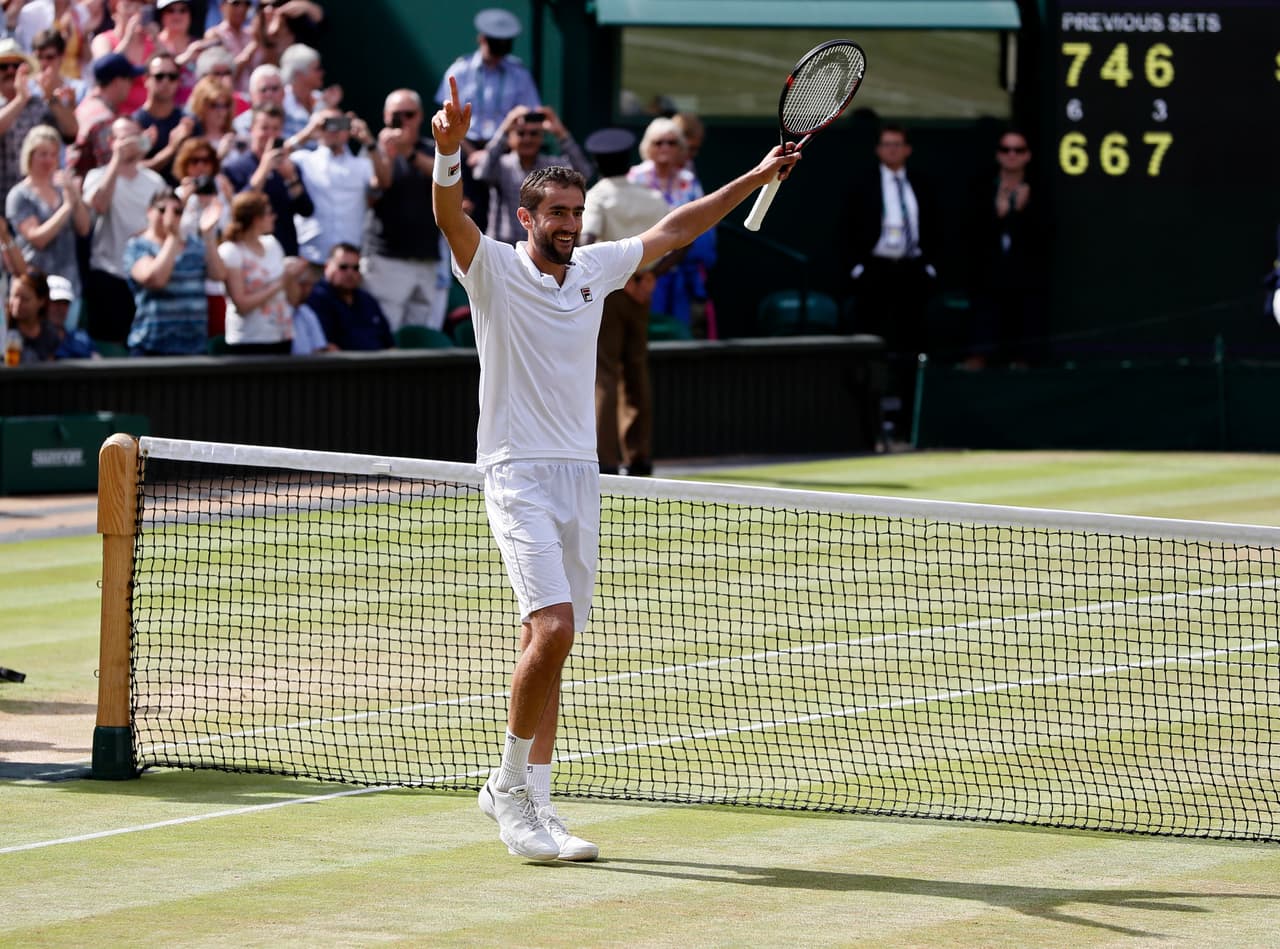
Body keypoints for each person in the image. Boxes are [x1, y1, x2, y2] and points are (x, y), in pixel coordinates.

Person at [431, 76, 798, 862]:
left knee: (549, 641)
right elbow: (448, 216)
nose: (566, 224)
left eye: (574, 212)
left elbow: (678, 225)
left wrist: (756, 176)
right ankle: (506, 792)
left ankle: (540, 799)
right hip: (515, 470)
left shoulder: (597, 266)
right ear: (526, 217)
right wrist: (450, 152)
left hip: (579, 474)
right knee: (554, 628)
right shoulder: (491, 268)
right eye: (553, 213)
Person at [581, 127, 668, 477]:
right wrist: (650, 276)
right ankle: (639, 457)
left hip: (611, 291)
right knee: (636, 370)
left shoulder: (597, 196)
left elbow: (586, 240)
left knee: (604, 373)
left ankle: (606, 460)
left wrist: (624, 278)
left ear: (596, 162)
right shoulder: (651, 196)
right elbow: (680, 240)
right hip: (642, 291)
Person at [843, 123, 940, 424]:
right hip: (875, 272)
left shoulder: (921, 183)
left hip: (911, 272)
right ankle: (868, 417)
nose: (892, 149)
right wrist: (858, 270)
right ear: (878, 149)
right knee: (871, 345)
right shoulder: (863, 184)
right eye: (887, 144)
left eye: (898, 144)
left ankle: (909, 419)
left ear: (907, 149)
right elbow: (846, 230)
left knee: (912, 346)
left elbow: (938, 227)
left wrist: (930, 267)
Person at [435, 8, 540, 229]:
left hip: (505, 151)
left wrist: (492, 151)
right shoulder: (460, 70)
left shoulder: (518, 73)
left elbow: (529, 113)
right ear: (482, 39)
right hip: (466, 150)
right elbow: (448, 117)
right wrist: (474, 153)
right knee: (465, 212)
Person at [363, 87, 446, 332]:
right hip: (387, 258)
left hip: (426, 258)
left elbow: (445, 176)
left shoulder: (433, 149)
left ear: (420, 116)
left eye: (408, 114)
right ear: (386, 117)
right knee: (386, 333)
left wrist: (409, 154)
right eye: (396, 115)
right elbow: (375, 191)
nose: (403, 120)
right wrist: (387, 155)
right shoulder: (373, 152)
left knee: (422, 335)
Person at [965, 127, 1047, 369]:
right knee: (979, 352)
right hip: (987, 283)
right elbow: (971, 235)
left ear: (1027, 155)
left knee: (1022, 356)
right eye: (1006, 149)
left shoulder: (1038, 192)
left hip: (1025, 285)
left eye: (1018, 150)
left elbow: (1044, 237)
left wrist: (1021, 214)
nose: (1012, 154)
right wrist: (998, 215)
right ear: (998, 154)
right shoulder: (981, 189)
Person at [83, 114, 167, 342]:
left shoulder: (155, 182)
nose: (129, 143)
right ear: (111, 142)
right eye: (123, 138)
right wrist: (116, 160)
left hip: (145, 278)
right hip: (109, 276)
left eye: (134, 137)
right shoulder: (96, 176)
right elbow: (98, 205)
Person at [627, 116, 715, 332]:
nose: (665, 147)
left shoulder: (688, 179)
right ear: (648, 146)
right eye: (658, 142)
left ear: (681, 147)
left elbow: (701, 220)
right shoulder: (635, 177)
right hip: (642, 268)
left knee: (678, 330)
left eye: (672, 142)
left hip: (680, 267)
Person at [124, 184, 225, 354]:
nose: (169, 216)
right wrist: (173, 237)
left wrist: (208, 236)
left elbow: (219, 274)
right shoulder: (137, 246)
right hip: (152, 350)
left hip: (194, 348)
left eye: (177, 212)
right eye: (162, 210)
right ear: (149, 211)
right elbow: (156, 279)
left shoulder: (195, 245)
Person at [474, 103, 590, 245]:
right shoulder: (503, 165)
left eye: (534, 134)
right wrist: (505, 127)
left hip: (542, 248)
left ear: (542, 138)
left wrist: (561, 133)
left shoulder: (551, 167)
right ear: (510, 138)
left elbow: (584, 173)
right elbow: (480, 172)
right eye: (521, 133)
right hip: (505, 246)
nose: (527, 139)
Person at [8, 123, 91, 302]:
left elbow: (84, 229)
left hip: (69, 283)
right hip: (37, 286)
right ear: (30, 156)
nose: (49, 160)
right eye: (43, 154)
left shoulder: (63, 189)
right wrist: (67, 207)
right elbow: (38, 239)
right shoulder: (20, 194)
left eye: (53, 154)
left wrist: (75, 196)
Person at [217, 189, 306, 353]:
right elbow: (241, 305)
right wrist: (281, 283)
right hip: (249, 340)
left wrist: (292, 277)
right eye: (269, 213)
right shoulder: (231, 251)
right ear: (256, 219)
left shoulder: (273, 244)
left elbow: (293, 299)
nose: (274, 217)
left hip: (282, 336)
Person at [221, 102, 312, 256]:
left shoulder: (290, 166)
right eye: (264, 128)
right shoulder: (234, 168)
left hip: (285, 250)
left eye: (275, 129)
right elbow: (237, 209)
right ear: (252, 130)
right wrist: (263, 169)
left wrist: (292, 179)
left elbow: (306, 210)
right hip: (248, 253)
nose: (270, 134)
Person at [289, 106, 374, 264]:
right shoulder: (303, 159)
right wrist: (308, 133)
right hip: (311, 256)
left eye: (339, 123)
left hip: (350, 261)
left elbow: (383, 182)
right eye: (327, 124)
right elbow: (275, 156)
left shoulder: (363, 165)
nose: (333, 129)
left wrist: (368, 141)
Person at [0, 37, 77, 202]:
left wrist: (51, 98)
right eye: (4, 66)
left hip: (40, 201)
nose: (10, 71)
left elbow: (71, 133)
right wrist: (19, 100)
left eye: (17, 66)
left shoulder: (39, 104)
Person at [304, 242, 392, 350]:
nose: (350, 273)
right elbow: (325, 347)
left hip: (381, 364)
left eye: (356, 268)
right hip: (342, 365)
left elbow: (389, 344)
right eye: (343, 267)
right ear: (327, 266)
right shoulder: (316, 298)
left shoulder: (367, 299)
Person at [70, 50, 142, 176]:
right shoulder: (104, 120)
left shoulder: (87, 104)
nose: (131, 85)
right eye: (129, 79)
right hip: (90, 189)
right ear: (117, 82)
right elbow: (111, 168)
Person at [134, 51, 195, 181]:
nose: (166, 81)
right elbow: (131, 171)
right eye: (159, 76)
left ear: (178, 81)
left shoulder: (188, 123)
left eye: (172, 77)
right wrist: (171, 149)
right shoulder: (134, 124)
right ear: (146, 80)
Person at [204, 0, 260, 94]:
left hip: (254, 97)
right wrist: (249, 51)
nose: (242, 8)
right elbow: (222, 74)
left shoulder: (252, 34)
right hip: (228, 99)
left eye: (247, 4)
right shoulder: (215, 34)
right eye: (236, 3)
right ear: (222, 7)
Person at [7, 270, 59, 362]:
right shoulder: (4, 329)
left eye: (25, 299)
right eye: (14, 296)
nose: (17, 303)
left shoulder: (50, 334)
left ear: (41, 301)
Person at [46, 272, 97, 357]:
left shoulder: (82, 339)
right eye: (56, 302)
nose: (61, 309)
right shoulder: (32, 339)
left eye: (65, 303)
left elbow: (99, 365)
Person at [231, 62, 282, 139]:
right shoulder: (239, 126)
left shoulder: (297, 121)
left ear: (283, 92)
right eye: (263, 89)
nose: (269, 94)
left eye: (274, 88)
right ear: (252, 94)